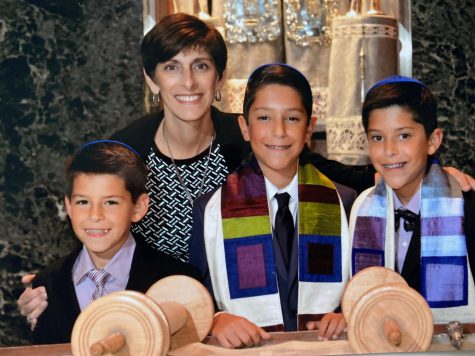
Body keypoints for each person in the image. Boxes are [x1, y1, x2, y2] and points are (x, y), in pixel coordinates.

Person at [18, 12, 475, 328]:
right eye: (172, 68)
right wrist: (51, 283)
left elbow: (319, 166)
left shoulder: (241, 141)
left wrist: (426, 169)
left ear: (219, 79)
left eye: (201, 66)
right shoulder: (126, 151)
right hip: (158, 301)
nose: (189, 82)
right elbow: (94, 215)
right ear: (153, 79)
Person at [190, 64, 356, 348]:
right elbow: (198, 299)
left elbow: (363, 291)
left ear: (309, 129)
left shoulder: (345, 202)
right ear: (245, 127)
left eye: (292, 118)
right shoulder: (211, 210)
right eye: (264, 117)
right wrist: (216, 319)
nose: (278, 131)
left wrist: (348, 314)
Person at [30, 140, 200, 344]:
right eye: (83, 202)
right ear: (69, 206)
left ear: (138, 207)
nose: (95, 215)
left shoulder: (178, 279)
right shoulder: (46, 287)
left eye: (110, 202)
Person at [349, 76, 475, 323]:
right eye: (377, 137)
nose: (389, 150)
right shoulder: (363, 207)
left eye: (404, 135)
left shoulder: (465, 207)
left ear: (432, 141)